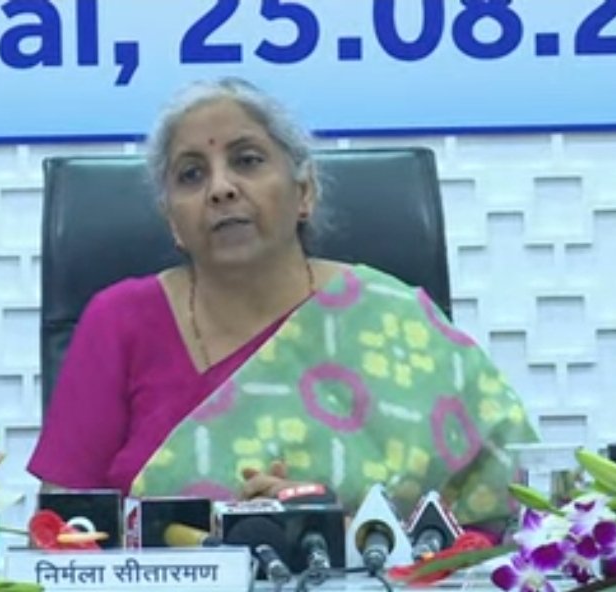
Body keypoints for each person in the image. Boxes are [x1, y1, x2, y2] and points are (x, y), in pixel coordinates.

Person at [27, 77, 538, 532]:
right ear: (172, 222)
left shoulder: (395, 319)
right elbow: (61, 533)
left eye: (247, 160)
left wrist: (343, 531)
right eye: (191, 175)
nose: (221, 188)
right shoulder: (120, 321)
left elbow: (500, 518)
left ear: (304, 193)